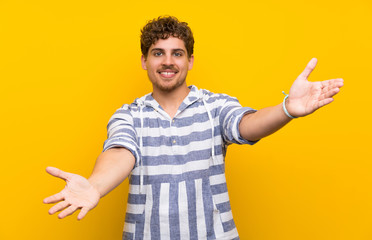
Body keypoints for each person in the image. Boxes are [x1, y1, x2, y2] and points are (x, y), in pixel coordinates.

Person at [43, 16, 344, 240]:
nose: (168, 61)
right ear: (144, 61)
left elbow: (246, 125)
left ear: (190, 60)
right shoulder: (129, 115)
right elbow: (121, 151)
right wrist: (95, 186)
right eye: (157, 53)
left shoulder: (215, 106)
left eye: (177, 53)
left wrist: (287, 110)